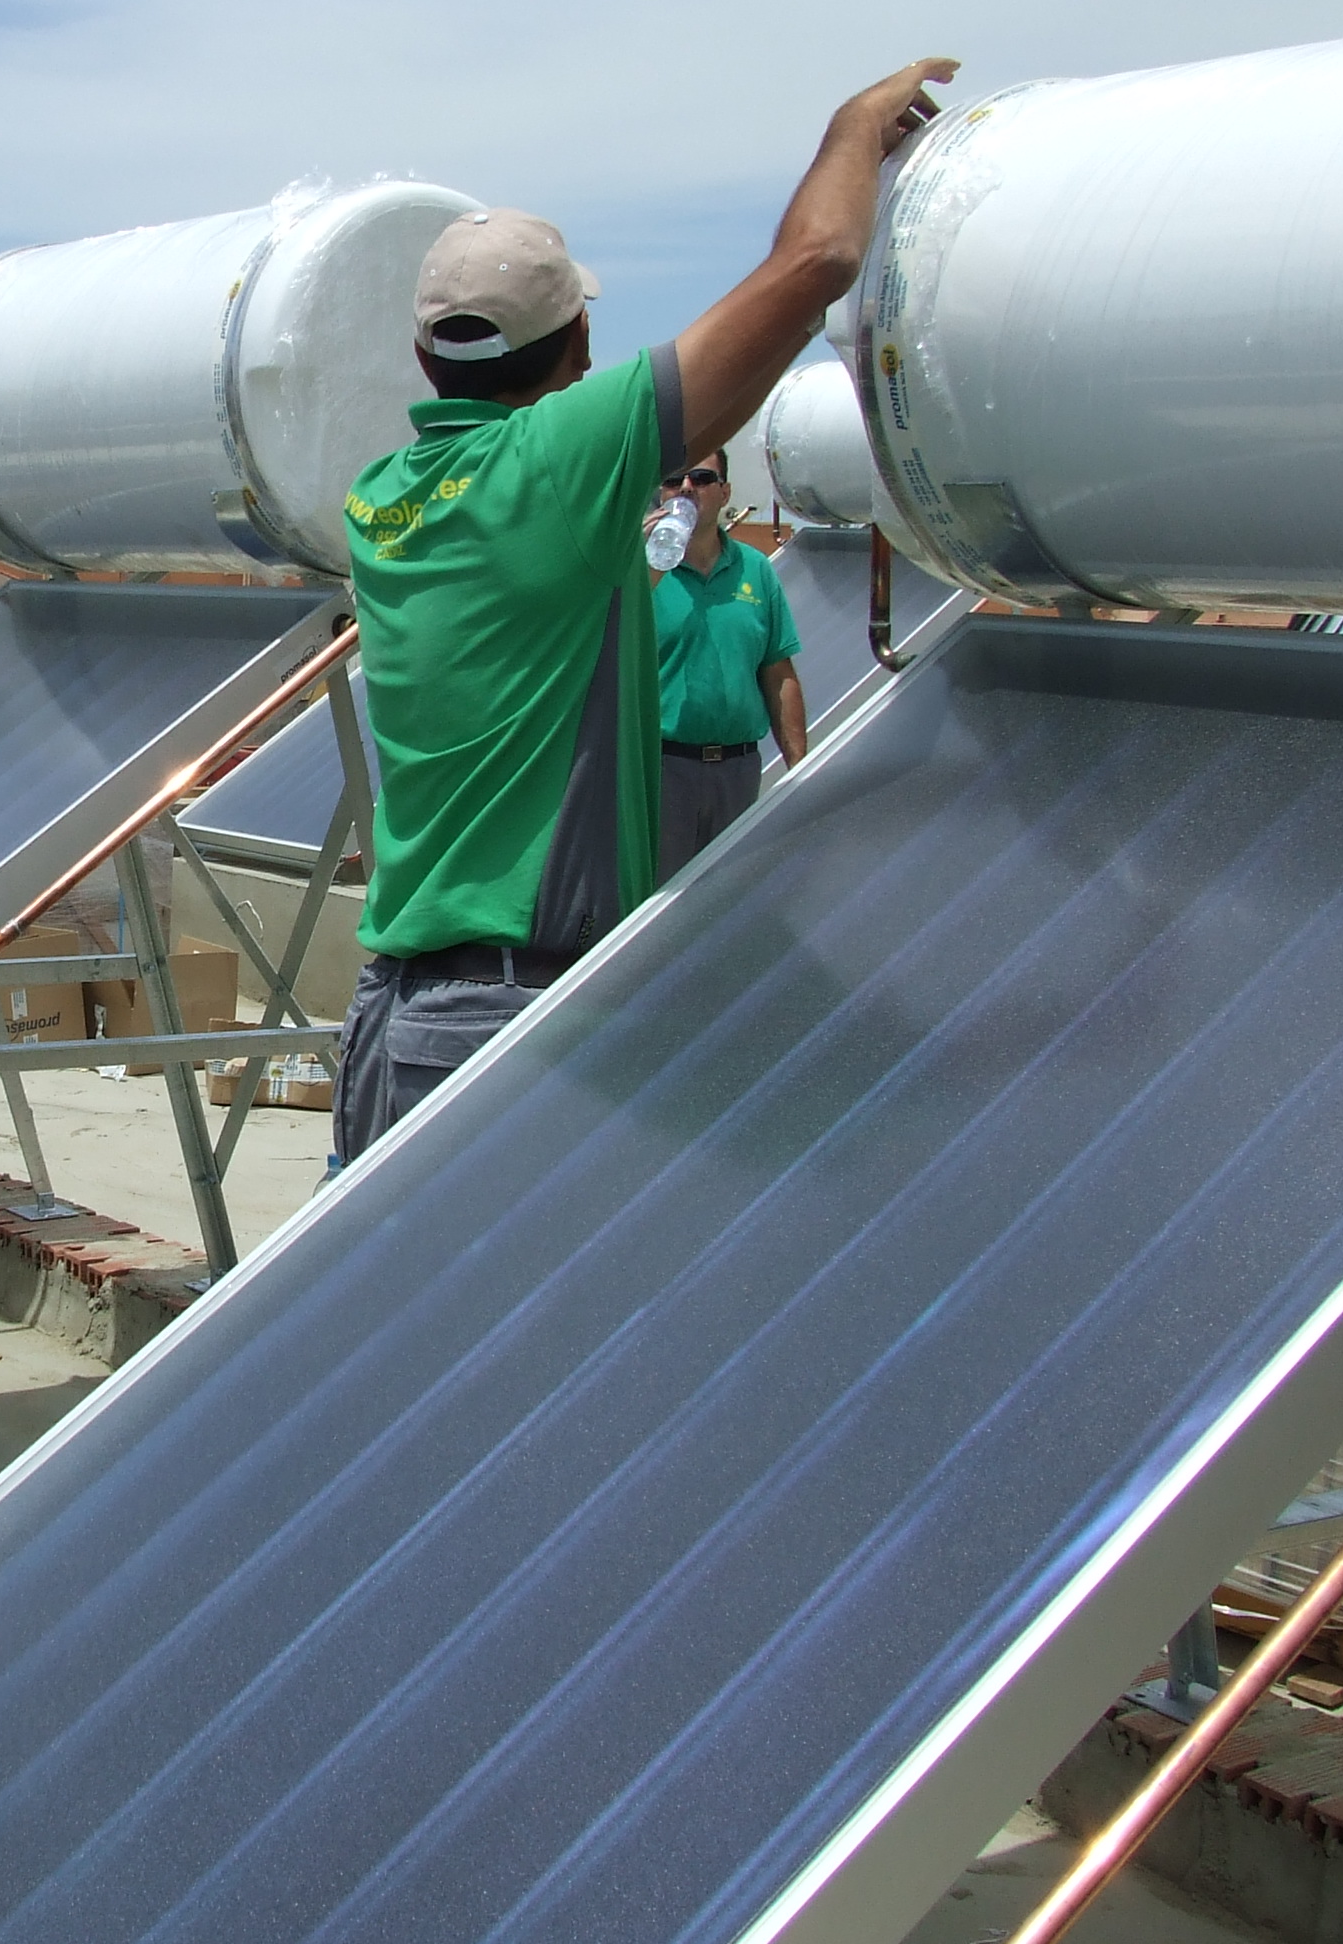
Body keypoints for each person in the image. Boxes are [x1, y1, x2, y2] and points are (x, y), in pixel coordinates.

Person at [332, 55, 956, 1164]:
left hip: (402, 1008)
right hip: (510, 1017)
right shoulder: (559, 463)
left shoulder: (381, 498)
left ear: (425, 355)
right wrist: (851, 130)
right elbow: (815, 262)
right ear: (578, 348)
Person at [652, 447, 805, 882]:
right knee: (657, 910)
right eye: (673, 479)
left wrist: (801, 769)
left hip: (737, 773)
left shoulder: (755, 570)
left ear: (724, 492)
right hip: (663, 771)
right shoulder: (638, 570)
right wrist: (642, 567)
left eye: (701, 478)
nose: (685, 488)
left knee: (729, 896)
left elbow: (778, 673)